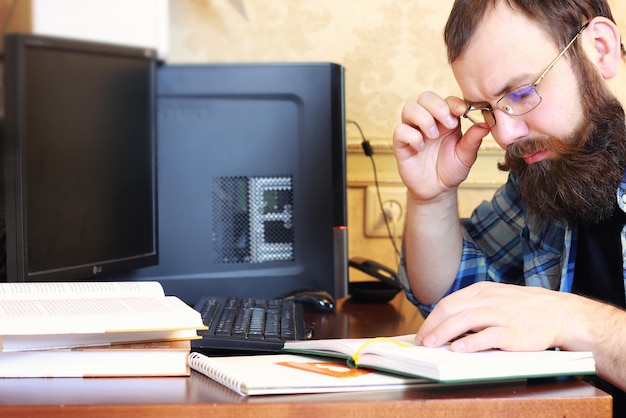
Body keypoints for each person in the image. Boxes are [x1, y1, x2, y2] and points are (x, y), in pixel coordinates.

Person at [392, 0, 626, 410]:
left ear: (601, 49)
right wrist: (431, 197)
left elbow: (554, 317)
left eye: (520, 93)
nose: (505, 135)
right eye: (485, 110)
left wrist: (569, 319)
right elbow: (453, 297)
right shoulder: (552, 166)